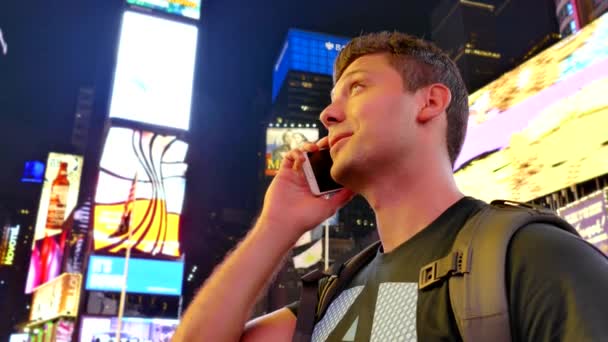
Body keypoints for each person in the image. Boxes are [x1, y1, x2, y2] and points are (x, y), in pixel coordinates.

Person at [172, 32, 608, 341]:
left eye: (356, 87)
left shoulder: (532, 256)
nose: (328, 114)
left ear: (430, 102)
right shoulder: (331, 296)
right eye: (330, 100)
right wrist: (276, 225)